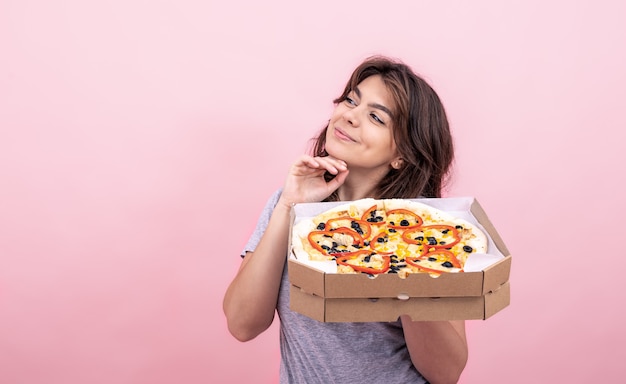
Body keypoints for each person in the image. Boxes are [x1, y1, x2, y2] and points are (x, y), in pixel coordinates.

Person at [223, 55, 467, 384]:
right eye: (352, 99)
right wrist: (289, 206)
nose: (350, 116)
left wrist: (407, 270)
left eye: (376, 118)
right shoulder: (287, 205)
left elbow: (446, 373)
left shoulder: (427, 230)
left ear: (402, 155)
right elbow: (242, 323)